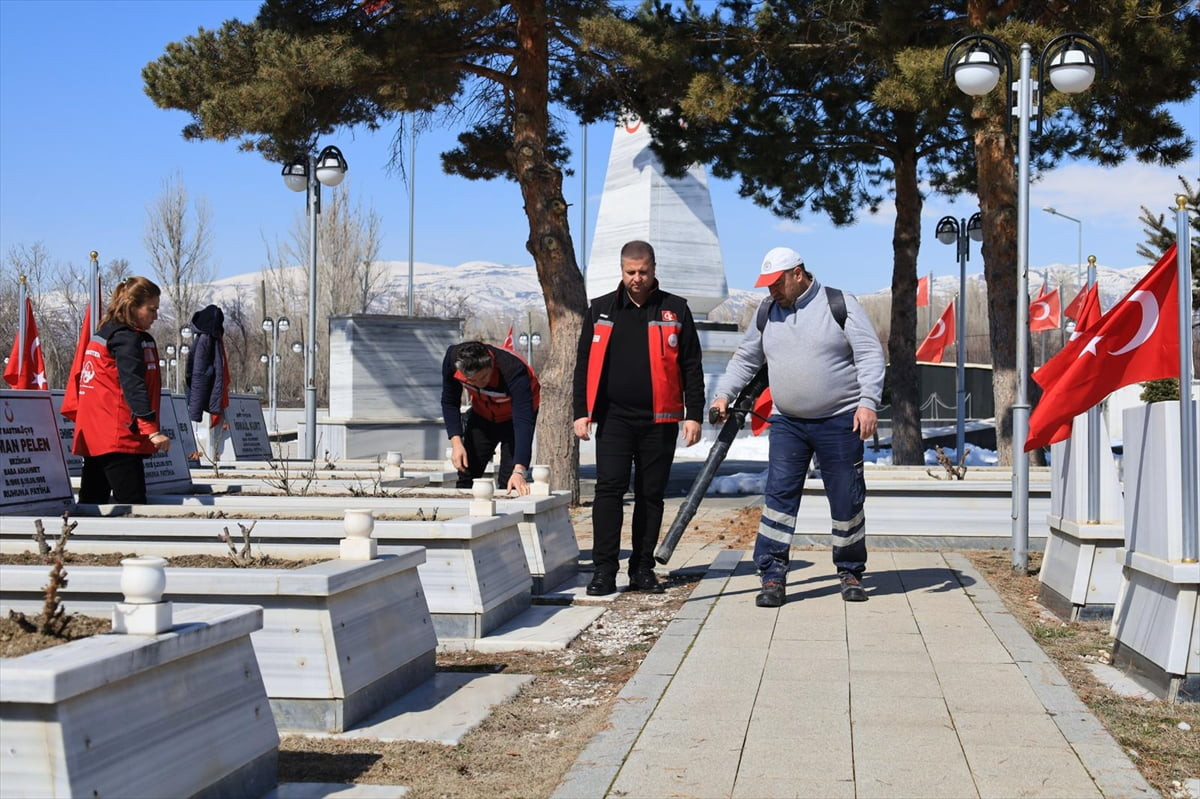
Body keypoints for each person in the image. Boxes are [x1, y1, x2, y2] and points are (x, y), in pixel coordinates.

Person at [710, 247, 885, 606]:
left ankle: (850, 570)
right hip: (788, 423)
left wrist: (868, 402)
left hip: (840, 421)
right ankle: (772, 575)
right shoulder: (766, 312)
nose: (771, 290)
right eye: (767, 285)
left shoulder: (839, 304)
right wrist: (723, 394)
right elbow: (746, 358)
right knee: (778, 498)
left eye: (777, 283)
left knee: (847, 499)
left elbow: (870, 354)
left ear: (798, 274)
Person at [573, 240, 705, 596]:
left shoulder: (675, 309)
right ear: (621, 270)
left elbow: (691, 366)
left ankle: (642, 569)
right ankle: (604, 571)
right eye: (630, 272)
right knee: (609, 491)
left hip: (659, 420)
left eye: (643, 271)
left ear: (654, 269)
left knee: (650, 495)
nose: (636, 278)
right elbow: (583, 364)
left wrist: (694, 414)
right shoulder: (601, 309)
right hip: (613, 419)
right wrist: (581, 412)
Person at [72, 276, 171, 504]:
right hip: (118, 437)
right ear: (133, 306)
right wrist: (151, 430)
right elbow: (133, 385)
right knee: (133, 505)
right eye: (152, 309)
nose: (156, 316)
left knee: (92, 503)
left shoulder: (106, 333)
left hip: (96, 435)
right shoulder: (125, 339)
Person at [441, 340, 540, 496]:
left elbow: (523, 421)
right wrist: (456, 442)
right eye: (472, 380)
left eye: (484, 377)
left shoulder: (513, 369)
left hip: (514, 420)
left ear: (492, 364)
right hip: (482, 415)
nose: (480, 384)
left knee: (510, 480)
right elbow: (449, 401)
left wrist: (520, 470)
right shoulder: (452, 359)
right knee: (467, 472)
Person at [185, 304, 231, 462]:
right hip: (205, 394)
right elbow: (199, 375)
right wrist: (196, 411)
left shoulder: (212, 339)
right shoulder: (206, 340)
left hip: (209, 392)